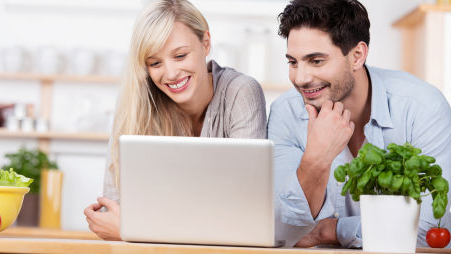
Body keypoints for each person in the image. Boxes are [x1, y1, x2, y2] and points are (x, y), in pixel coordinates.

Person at [268, 0, 451, 248]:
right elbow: (281, 230)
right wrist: (316, 159)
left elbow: (428, 232)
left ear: (357, 55)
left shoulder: (421, 108)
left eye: (317, 61)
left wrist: (332, 230)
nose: (300, 78)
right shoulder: (285, 112)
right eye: (293, 62)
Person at [84, 0, 267, 240]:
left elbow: (245, 216)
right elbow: (114, 209)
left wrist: (135, 229)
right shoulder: (137, 101)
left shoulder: (240, 93)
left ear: (206, 43)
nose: (170, 74)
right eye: (155, 63)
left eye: (180, 55)